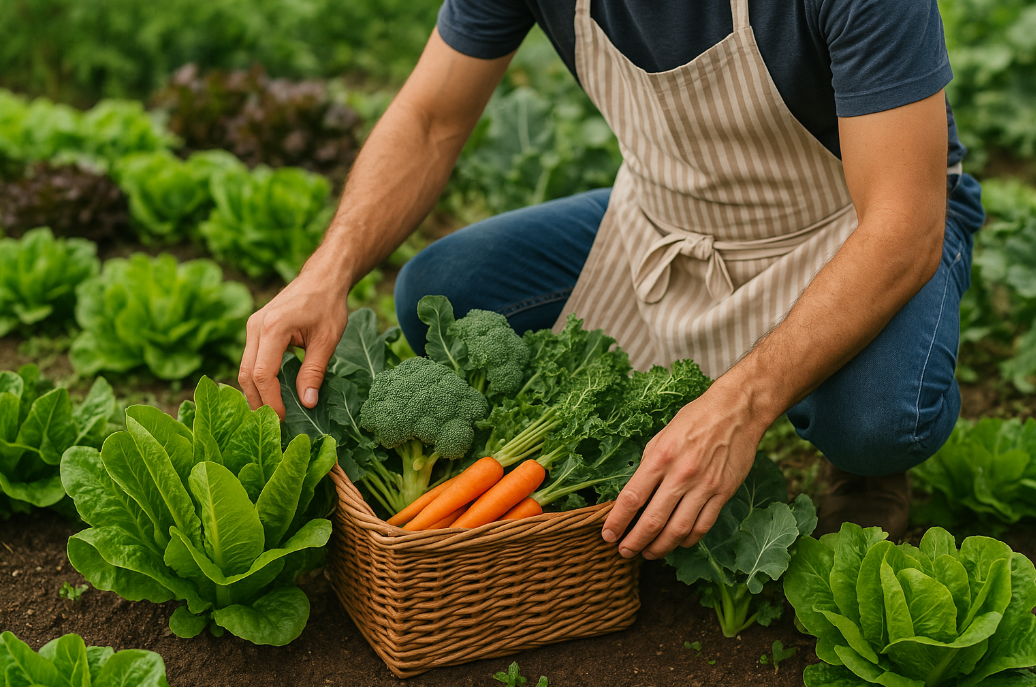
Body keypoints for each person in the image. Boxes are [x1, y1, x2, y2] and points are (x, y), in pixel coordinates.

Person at [239, 0, 985, 560]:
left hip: (849, 225)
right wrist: (326, 271)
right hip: (667, 218)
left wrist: (743, 405)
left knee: (877, 422)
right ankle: (671, 409)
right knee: (448, 292)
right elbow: (432, 118)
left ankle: (847, 447)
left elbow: (902, 225)